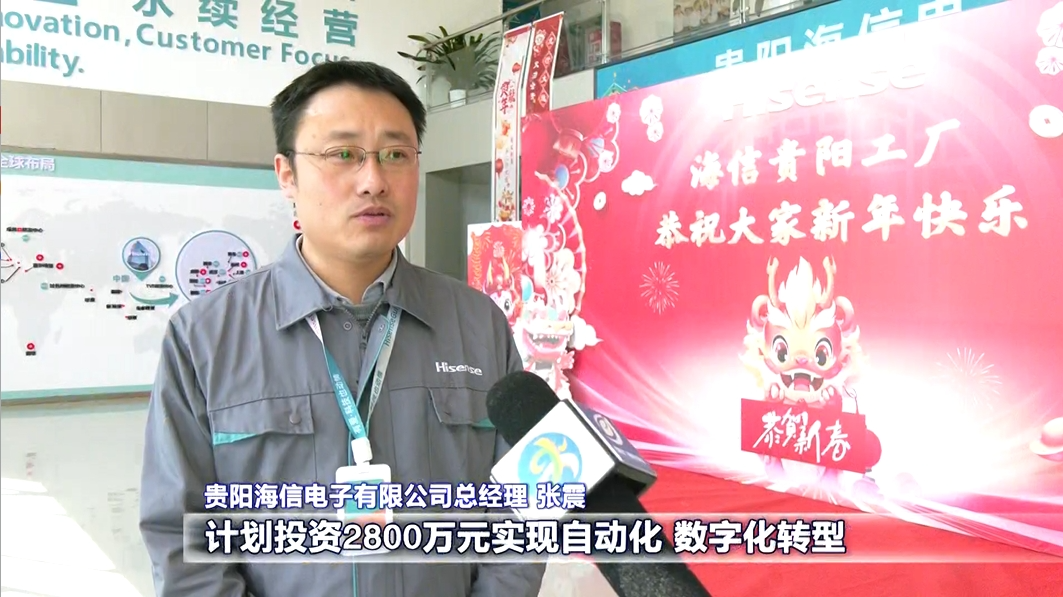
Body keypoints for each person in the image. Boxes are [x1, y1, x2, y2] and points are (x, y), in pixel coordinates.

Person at [139, 61, 546, 597]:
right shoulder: (205, 338)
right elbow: (183, 538)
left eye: (395, 155)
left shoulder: (477, 323)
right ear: (287, 174)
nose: (374, 180)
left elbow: (524, 511)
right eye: (343, 154)